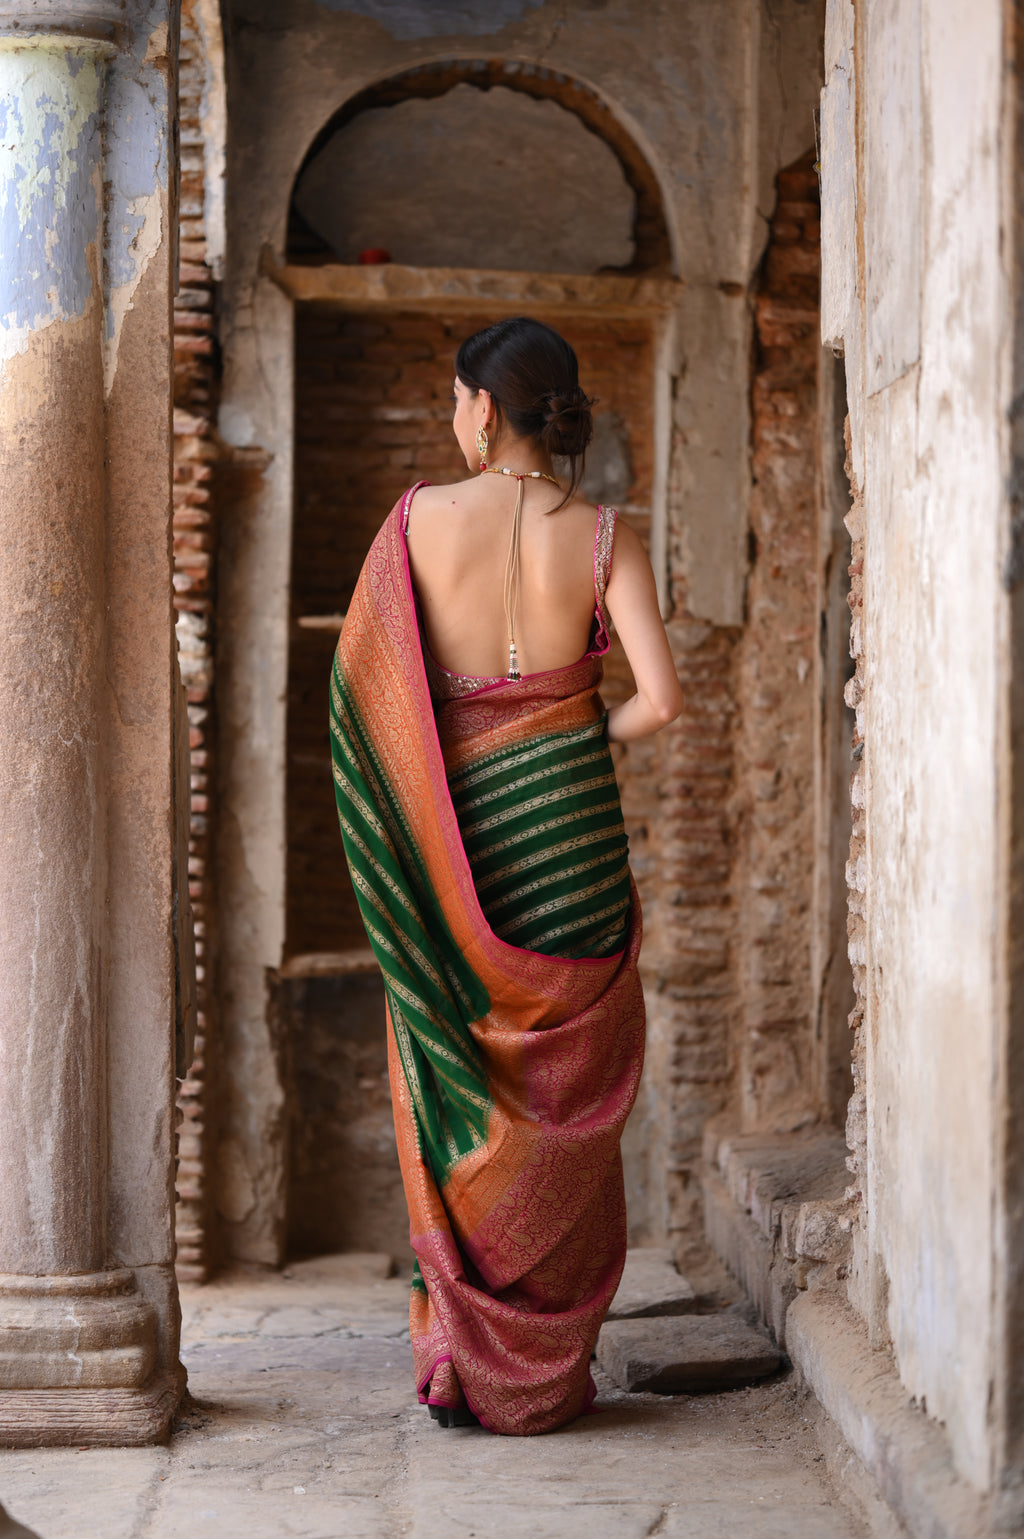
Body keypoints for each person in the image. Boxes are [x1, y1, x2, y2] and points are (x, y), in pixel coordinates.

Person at [329, 316, 683, 1436]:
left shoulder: (415, 525)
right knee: (568, 1092)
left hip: (457, 841)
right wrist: (570, 740)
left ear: (481, 409)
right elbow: (662, 702)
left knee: (454, 1068)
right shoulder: (604, 536)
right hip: (571, 841)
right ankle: (550, 1370)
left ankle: (470, 1359)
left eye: (454, 402)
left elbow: (362, 699)